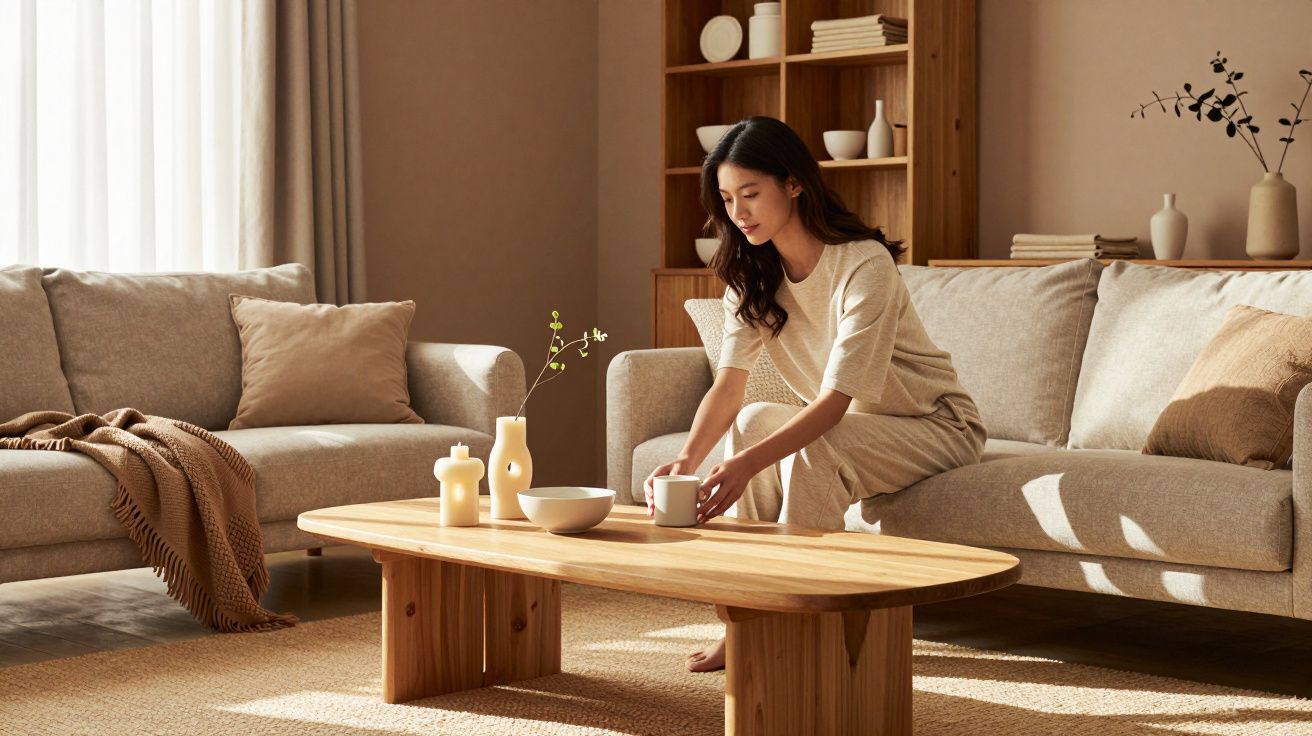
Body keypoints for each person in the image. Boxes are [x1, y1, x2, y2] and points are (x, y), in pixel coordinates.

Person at [643, 116, 987, 673]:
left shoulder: (863, 264)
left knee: (806, 447)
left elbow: (833, 403)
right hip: (859, 429)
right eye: (728, 199)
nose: (739, 213)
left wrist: (745, 467)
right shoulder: (752, 274)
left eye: (751, 194)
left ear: (795, 184)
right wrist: (686, 462)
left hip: (936, 425)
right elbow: (729, 387)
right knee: (754, 418)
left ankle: (806, 628)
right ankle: (743, 623)